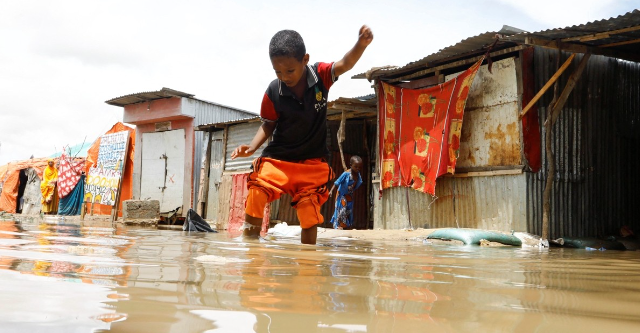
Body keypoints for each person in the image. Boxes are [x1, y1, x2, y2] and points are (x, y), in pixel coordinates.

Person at [231, 25, 374, 244]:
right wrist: (251, 147)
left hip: (312, 162)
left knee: (309, 211)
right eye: (277, 72)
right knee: (257, 191)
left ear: (305, 59)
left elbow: (345, 63)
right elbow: (268, 124)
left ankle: (308, 261)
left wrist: (360, 44)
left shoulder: (321, 76)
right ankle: (250, 247)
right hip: (279, 160)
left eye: (289, 71)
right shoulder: (273, 91)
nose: (284, 76)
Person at [329, 156, 363, 229]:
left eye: (359, 167)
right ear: (351, 165)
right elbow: (337, 182)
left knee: (349, 210)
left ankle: (347, 225)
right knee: (341, 209)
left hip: (349, 195)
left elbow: (358, 183)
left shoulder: (358, 175)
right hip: (341, 194)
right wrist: (331, 191)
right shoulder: (346, 174)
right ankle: (337, 225)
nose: (357, 169)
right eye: (355, 166)